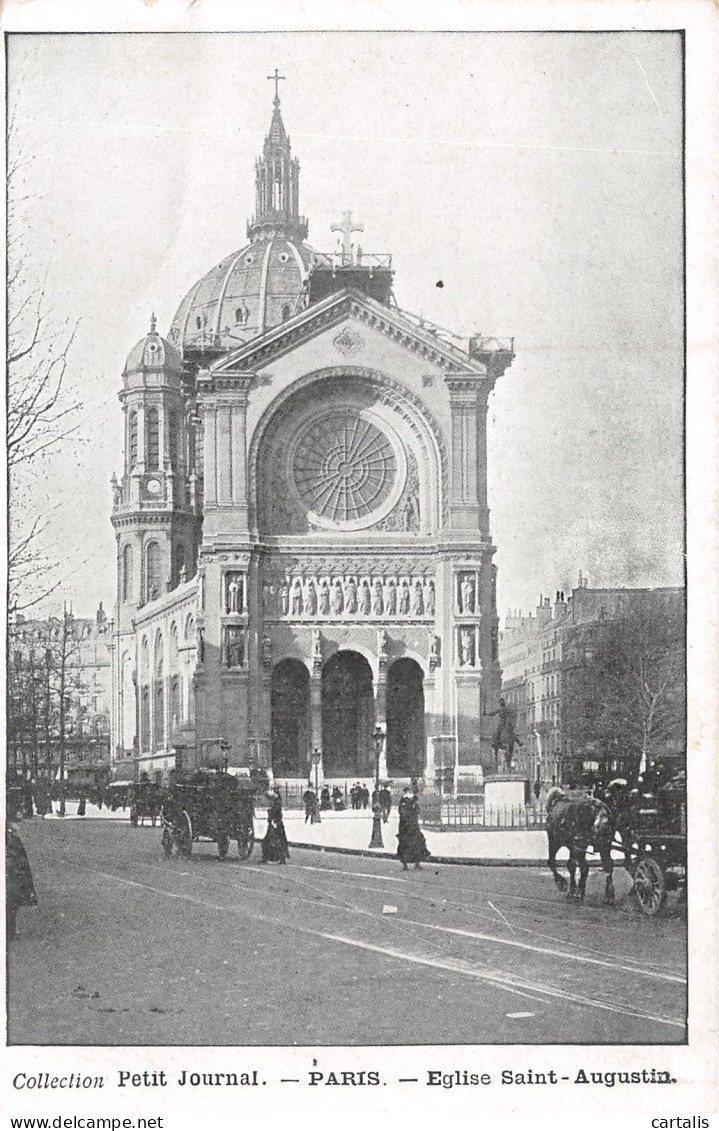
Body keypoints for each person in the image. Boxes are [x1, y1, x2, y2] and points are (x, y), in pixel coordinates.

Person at [6, 806, 39, 940]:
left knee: (11, 903)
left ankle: (10, 930)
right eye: (16, 822)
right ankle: (10, 931)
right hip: (11, 875)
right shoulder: (12, 839)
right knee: (11, 903)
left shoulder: (13, 838)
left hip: (12, 875)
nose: (18, 826)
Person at [396, 788, 431, 870]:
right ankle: (411, 864)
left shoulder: (405, 802)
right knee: (412, 844)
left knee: (412, 844)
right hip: (408, 827)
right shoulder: (404, 802)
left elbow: (415, 811)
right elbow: (404, 813)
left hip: (409, 826)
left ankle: (413, 864)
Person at [261, 788, 290, 864]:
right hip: (276, 823)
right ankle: (280, 858)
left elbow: (275, 813)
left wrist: (271, 816)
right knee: (278, 841)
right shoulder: (277, 802)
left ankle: (274, 858)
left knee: (274, 841)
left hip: (275, 824)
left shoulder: (276, 803)